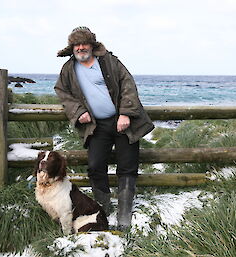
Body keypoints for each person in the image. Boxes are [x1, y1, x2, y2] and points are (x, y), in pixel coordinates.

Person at [54, 26, 154, 230]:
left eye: (84, 43)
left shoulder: (109, 61)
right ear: (72, 47)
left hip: (123, 123)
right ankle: (104, 210)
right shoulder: (68, 69)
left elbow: (128, 85)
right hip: (96, 127)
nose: (81, 47)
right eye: (76, 44)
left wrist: (125, 113)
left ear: (92, 45)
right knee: (95, 167)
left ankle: (124, 216)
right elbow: (62, 92)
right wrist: (78, 110)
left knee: (127, 167)